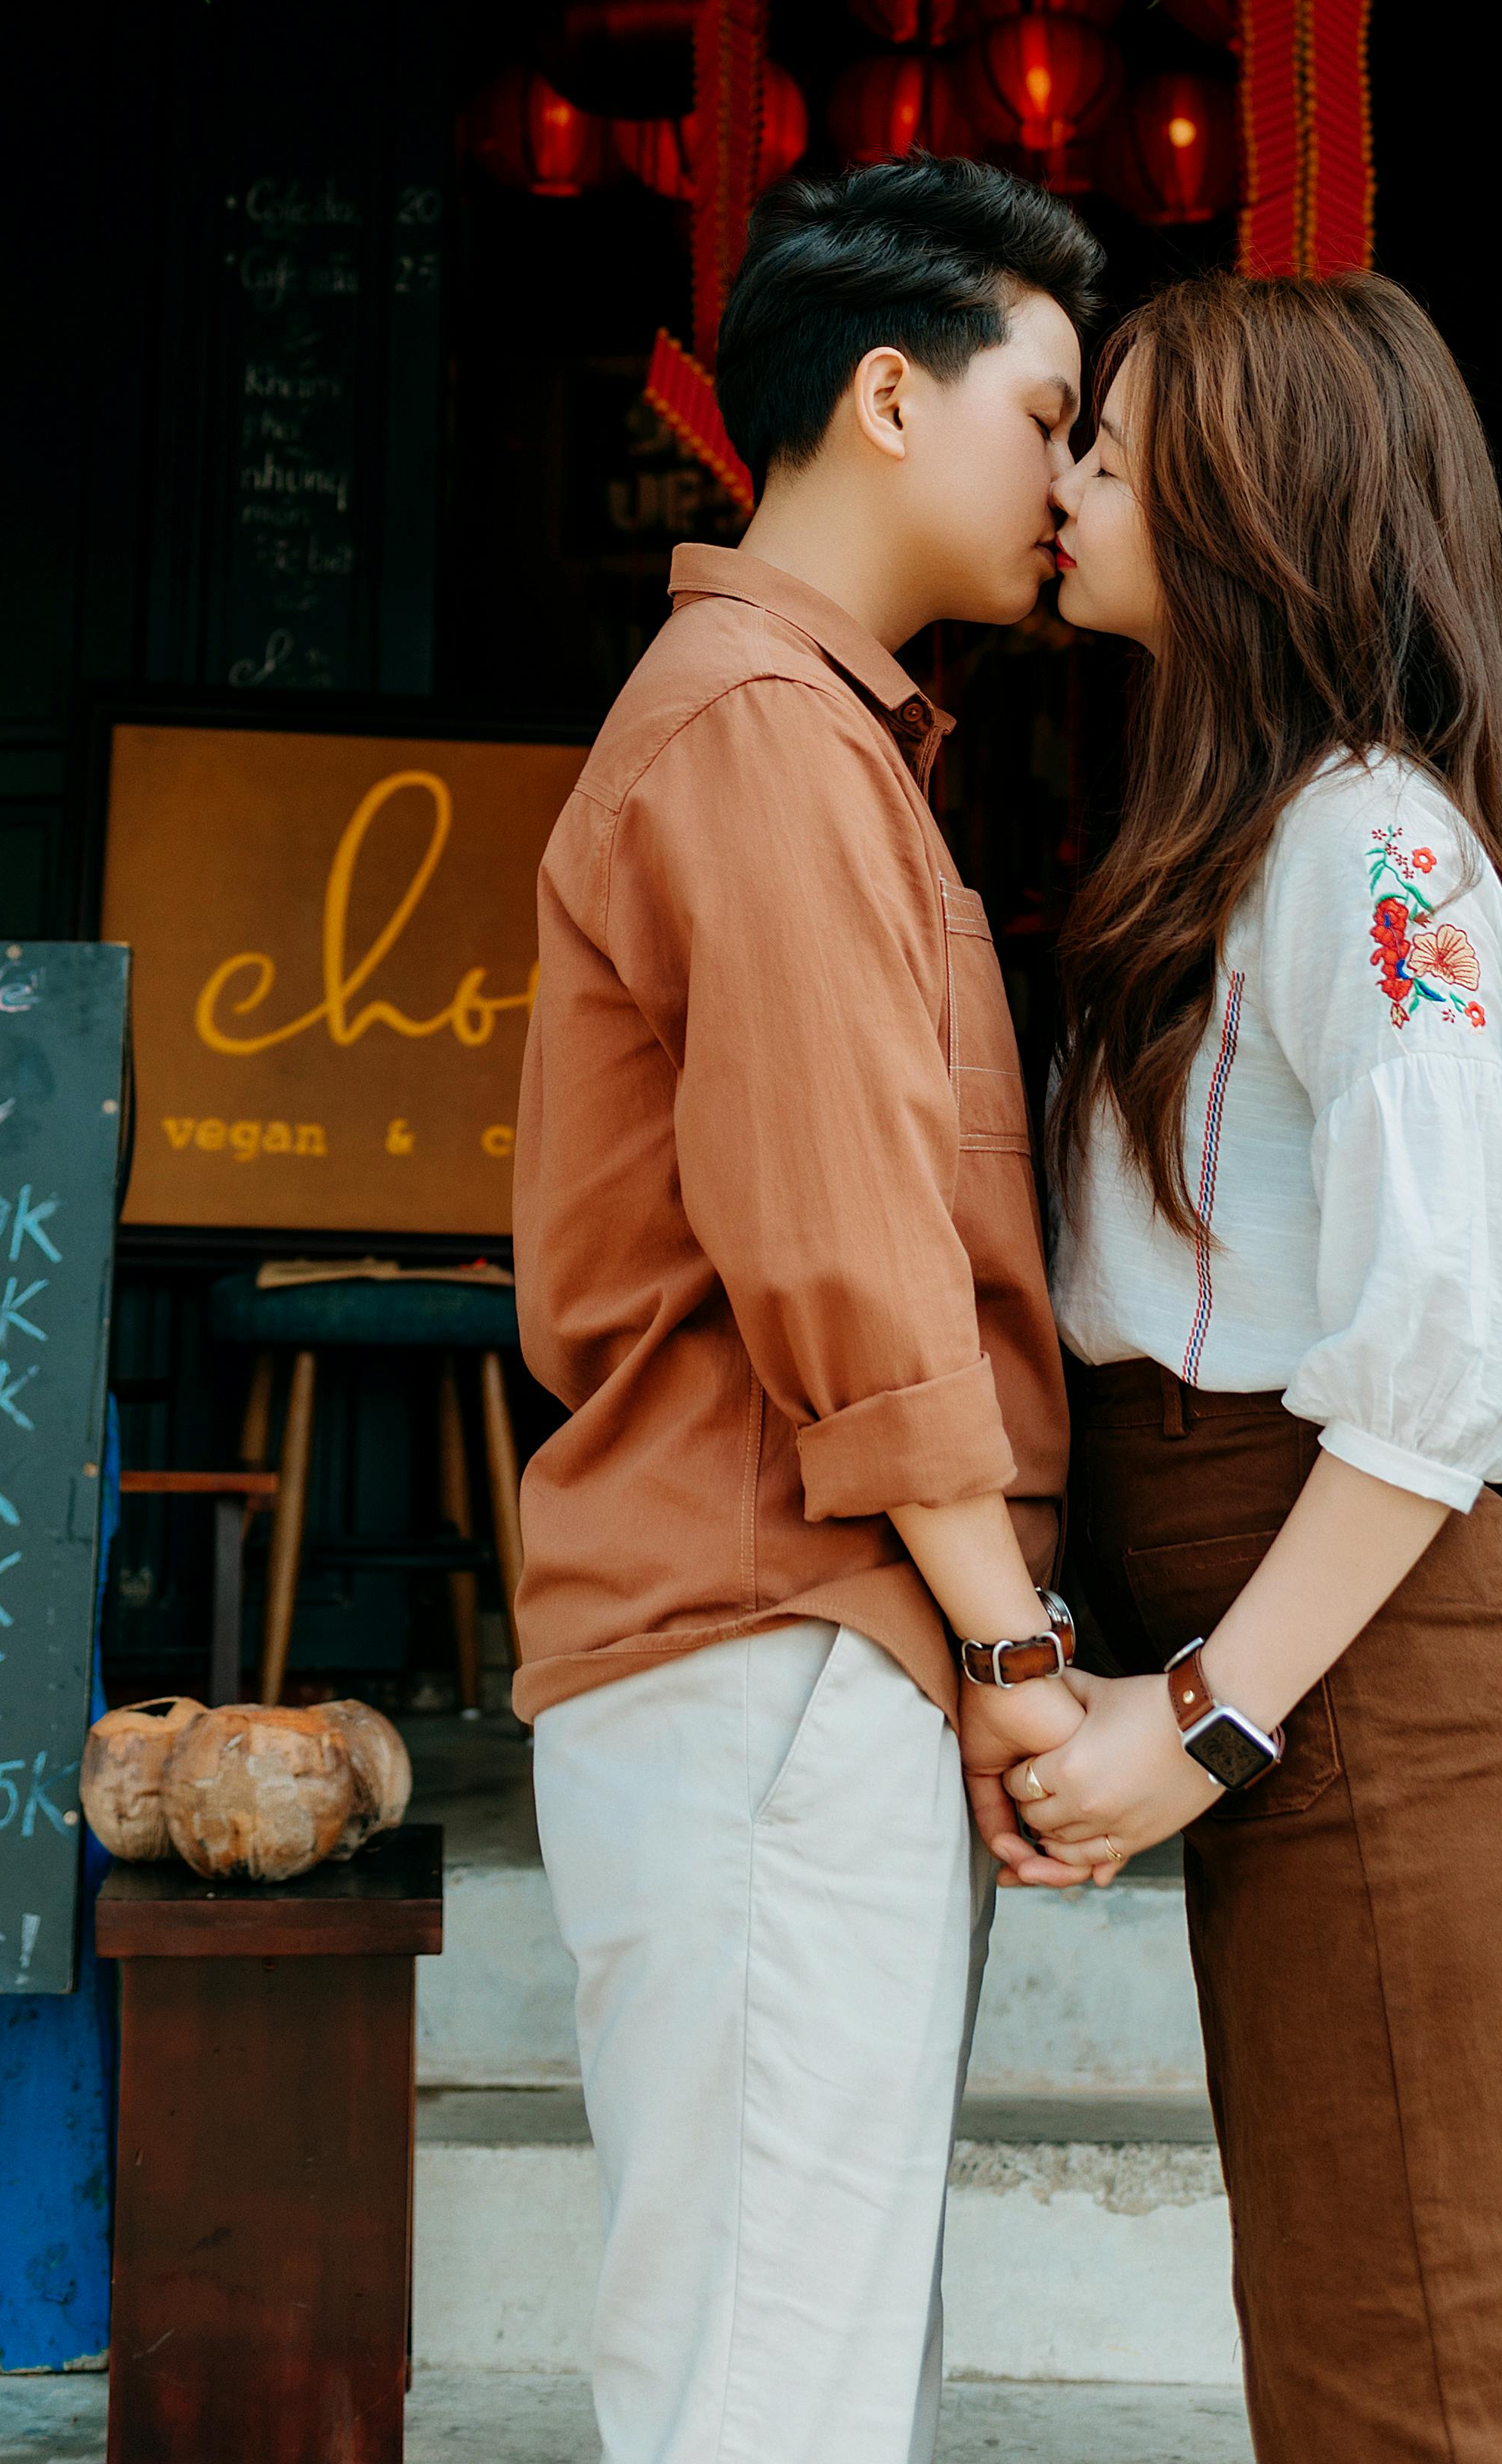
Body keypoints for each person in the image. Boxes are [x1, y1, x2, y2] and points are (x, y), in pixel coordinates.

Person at [1010, 270, 1502, 2464]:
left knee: (1456, 2386)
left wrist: (1208, 1720)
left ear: (1257, 500)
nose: (1072, 473)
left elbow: (1451, 1348)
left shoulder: (1376, 845)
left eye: (1116, 440)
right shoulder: (1245, 832)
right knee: (1378, 2361)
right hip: (1313, 1684)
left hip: (1370, 1693)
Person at [511, 156, 1106, 2464]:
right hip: (780, 1635)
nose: (1068, 479)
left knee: (787, 2362)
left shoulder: (807, 723)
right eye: (1048, 413)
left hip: (795, 1642)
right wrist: (1013, 1645)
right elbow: (838, 1243)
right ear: (888, 392)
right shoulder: (761, 725)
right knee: (774, 2392)